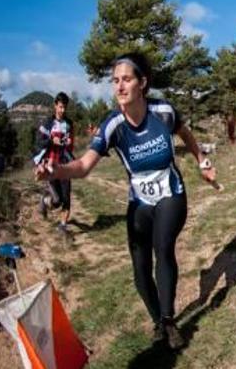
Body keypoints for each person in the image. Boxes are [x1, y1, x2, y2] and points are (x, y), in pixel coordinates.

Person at [34, 53, 217, 350]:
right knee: (139, 267)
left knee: (163, 247)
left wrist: (202, 160)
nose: (119, 86)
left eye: (127, 79)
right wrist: (56, 170)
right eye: (115, 81)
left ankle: (169, 321)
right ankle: (158, 321)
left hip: (171, 192)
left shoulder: (163, 112)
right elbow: (82, 167)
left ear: (142, 83)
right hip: (140, 201)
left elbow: (184, 132)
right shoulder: (113, 125)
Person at [36, 92, 75, 233]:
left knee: (66, 197)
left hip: (65, 164)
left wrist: (69, 143)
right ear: (55, 106)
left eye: (64, 107)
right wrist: (51, 141)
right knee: (57, 200)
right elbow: (38, 143)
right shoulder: (47, 124)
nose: (62, 110)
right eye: (60, 107)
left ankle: (63, 225)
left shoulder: (69, 124)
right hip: (50, 164)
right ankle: (45, 201)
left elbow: (70, 146)